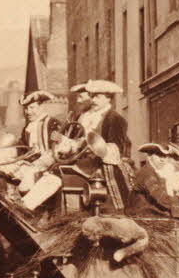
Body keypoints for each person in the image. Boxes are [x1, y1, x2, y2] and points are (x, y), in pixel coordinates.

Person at [53, 80, 134, 213]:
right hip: (82, 160)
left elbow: (116, 148)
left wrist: (92, 147)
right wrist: (67, 143)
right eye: (92, 96)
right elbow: (77, 142)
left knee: (61, 173)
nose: (93, 100)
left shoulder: (114, 118)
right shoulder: (85, 116)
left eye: (98, 96)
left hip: (100, 163)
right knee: (56, 169)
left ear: (108, 98)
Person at [0, 90, 61, 205]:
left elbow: (57, 150)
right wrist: (2, 155)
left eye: (31, 108)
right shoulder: (28, 127)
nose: (28, 112)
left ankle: (26, 206)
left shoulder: (52, 123)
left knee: (26, 185)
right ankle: (2, 198)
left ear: (42, 107)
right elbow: (22, 149)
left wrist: (41, 163)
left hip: (46, 168)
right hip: (29, 165)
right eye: (25, 109)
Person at [126, 143, 179, 219]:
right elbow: (161, 198)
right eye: (159, 156)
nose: (162, 160)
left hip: (154, 214)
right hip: (143, 215)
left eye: (165, 156)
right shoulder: (146, 173)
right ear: (149, 157)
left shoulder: (155, 172)